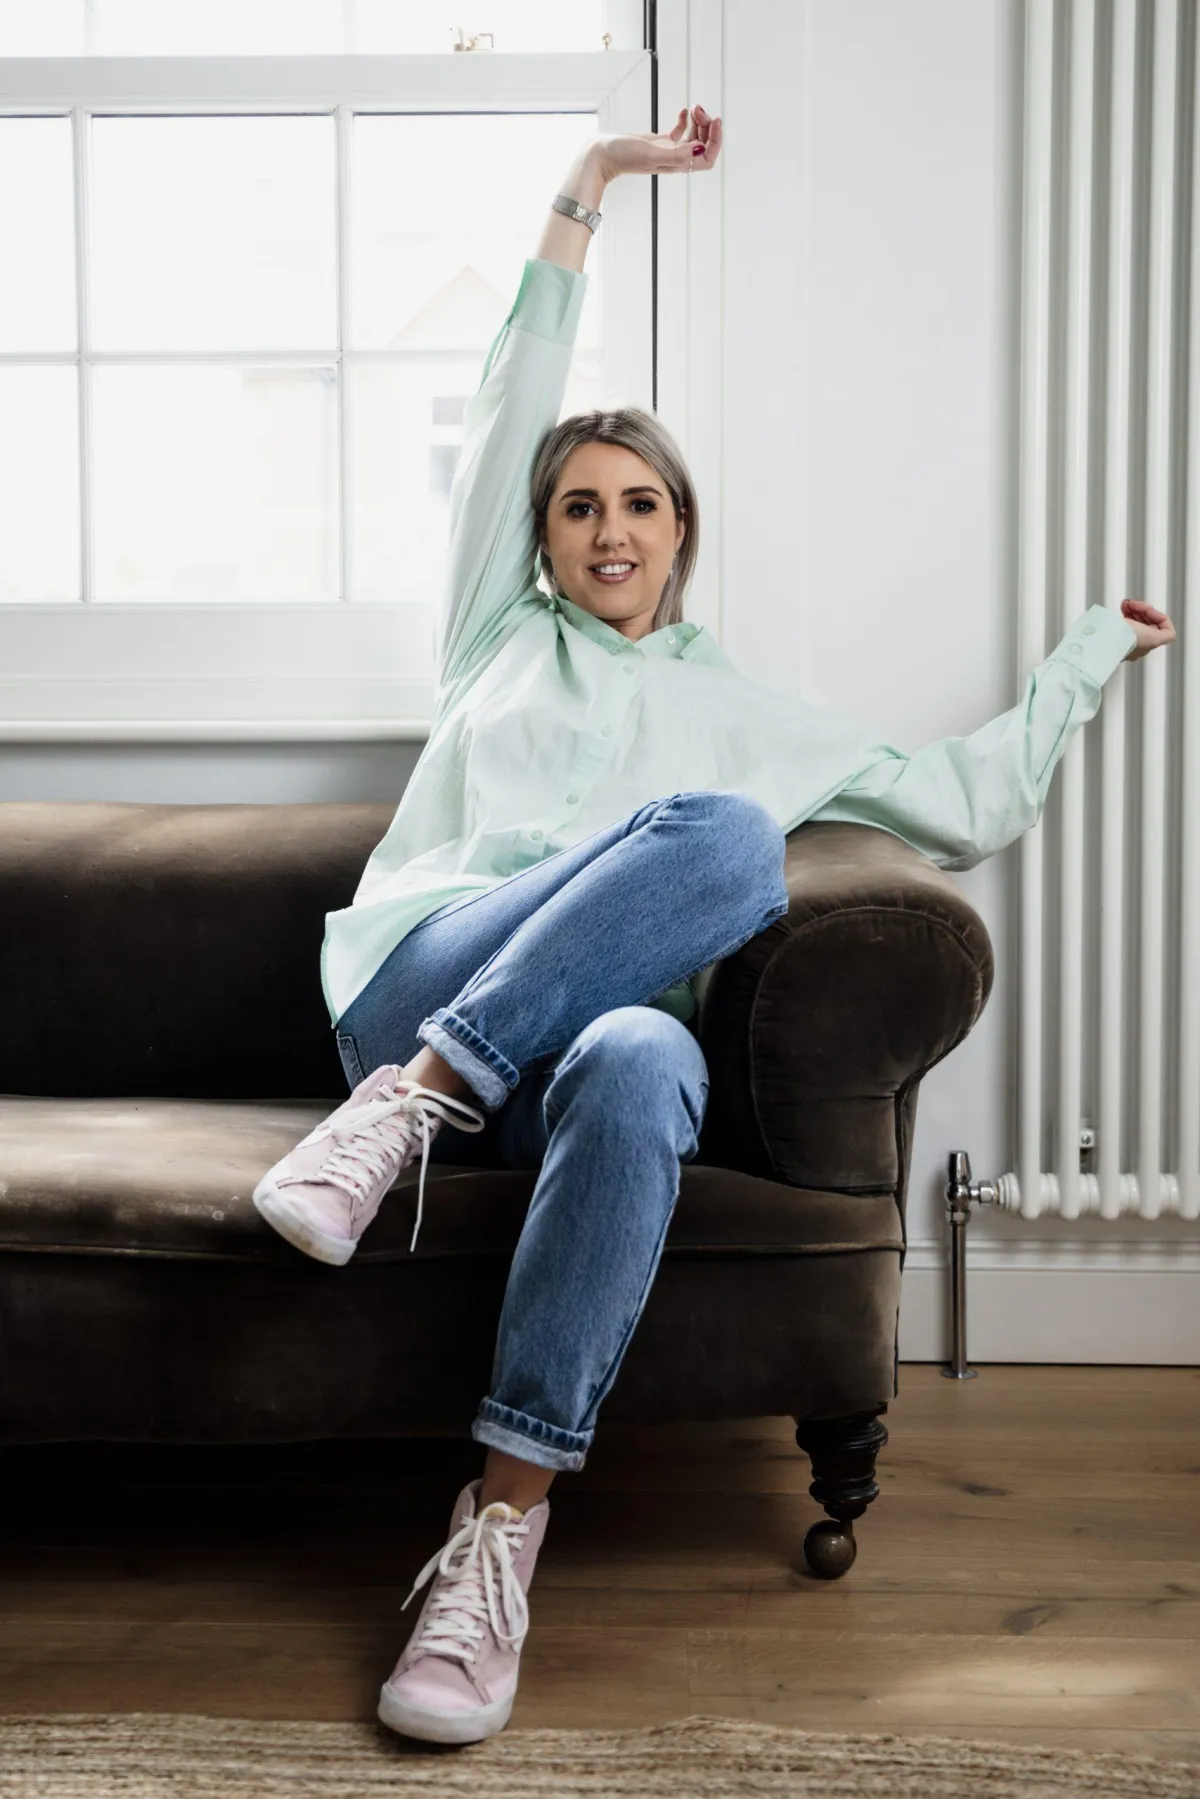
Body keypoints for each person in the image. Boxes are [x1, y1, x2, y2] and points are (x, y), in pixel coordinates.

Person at [252, 106, 1175, 1745]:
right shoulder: (493, 637)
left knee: (664, 991)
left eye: (640, 504)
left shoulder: (744, 712)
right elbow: (515, 391)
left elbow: (958, 801)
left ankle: (499, 1529)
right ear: (539, 537)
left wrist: (1088, 656)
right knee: (684, 875)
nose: (608, 529)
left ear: (681, 529)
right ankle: (409, 1092)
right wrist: (590, 186)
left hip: (556, 1076)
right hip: (420, 983)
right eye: (577, 507)